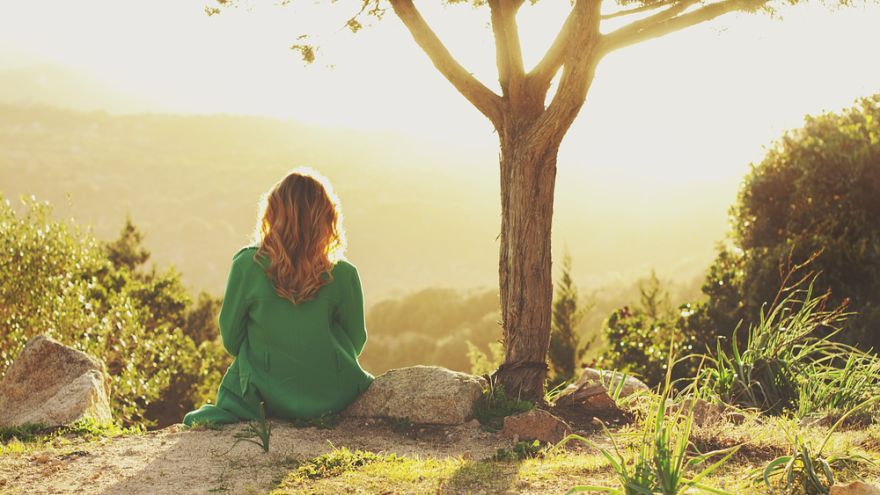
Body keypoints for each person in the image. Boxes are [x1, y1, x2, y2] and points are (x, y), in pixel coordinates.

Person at [183, 168, 373, 426]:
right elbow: (356, 341)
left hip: (264, 395)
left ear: (272, 214)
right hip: (331, 395)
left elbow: (231, 339)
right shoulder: (344, 274)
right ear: (327, 218)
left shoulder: (247, 265)